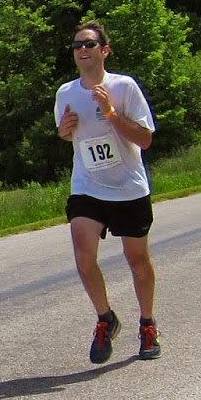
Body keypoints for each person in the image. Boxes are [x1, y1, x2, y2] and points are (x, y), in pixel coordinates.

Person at [54, 23, 161, 362]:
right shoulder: (66, 94)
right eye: (76, 45)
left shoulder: (123, 87)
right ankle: (105, 318)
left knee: (137, 260)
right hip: (88, 186)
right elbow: (66, 135)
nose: (81, 49)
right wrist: (64, 131)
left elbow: (144, 140)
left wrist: (112, 113)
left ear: (104, 50)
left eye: (89, 43)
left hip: (128, 188)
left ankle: (147, 325)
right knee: (84, 257)